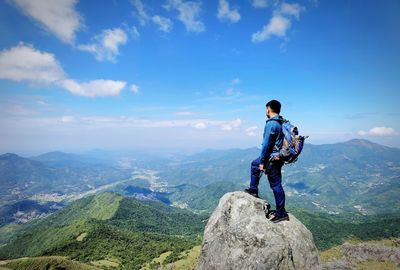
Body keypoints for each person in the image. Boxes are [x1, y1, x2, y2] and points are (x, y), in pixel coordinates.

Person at [244, 99, 289, 223]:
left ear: (268, 109)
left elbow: (266, 145)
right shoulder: (280, 122)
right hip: (277, 157)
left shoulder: (271, 124)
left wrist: (262, 162)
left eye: (266, 109)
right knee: (254, 165)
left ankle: (281, 213)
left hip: (272, 158)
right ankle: (253, 190)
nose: (266, 111)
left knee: (276, 185)